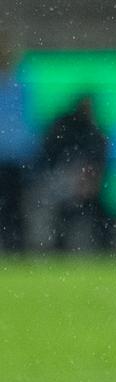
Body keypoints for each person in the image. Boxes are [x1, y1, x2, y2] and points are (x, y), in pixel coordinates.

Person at [39, 93, 110, 252]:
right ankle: (61, 247)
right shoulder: (67, 128)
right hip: (63, 179)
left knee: (95, 213)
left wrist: (88, 177)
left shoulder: (91, 131)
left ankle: (101, 248)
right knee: (65, 213)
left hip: (86, 182)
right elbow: (52, 154)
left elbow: (99, 157)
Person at [0, 35, 35, 253]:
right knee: (12, 207)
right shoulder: (18, 86)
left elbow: (24, 123)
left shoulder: (19, 85)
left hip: (14, 158)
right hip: (11, 156)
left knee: (14, 206)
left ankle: (15, 247)